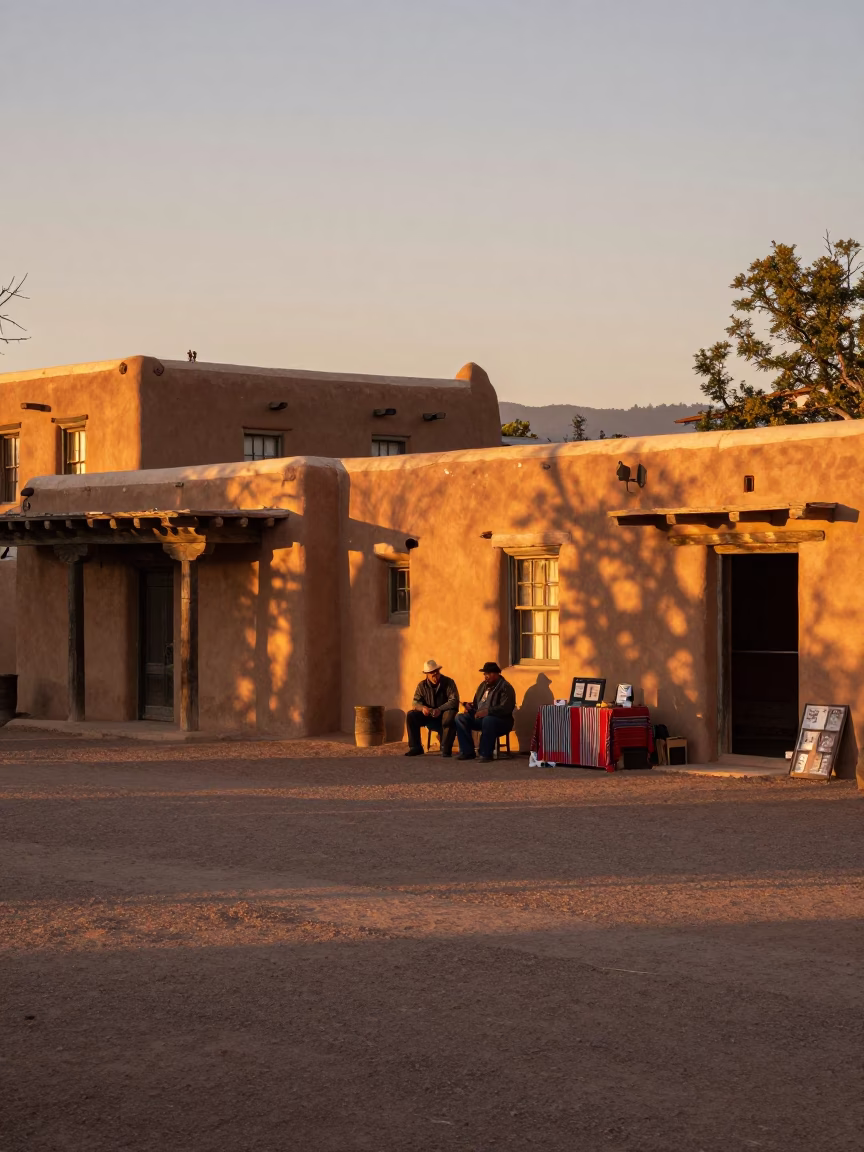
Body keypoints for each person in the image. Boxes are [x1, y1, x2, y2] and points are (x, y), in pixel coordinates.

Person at [454, 662, 516, 762]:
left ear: (496, 674)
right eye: (484, 674)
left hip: (501, 721)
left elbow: (506, 708)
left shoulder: (506, 687)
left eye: (488, 674)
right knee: (460, 718)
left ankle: (485, 753)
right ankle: (467, 752)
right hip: (481, 718)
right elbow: (477, 703)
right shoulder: (483, 686)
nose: (485, 676)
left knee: (488, 720)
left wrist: (488, 712)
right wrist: (470, 707)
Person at [405, 659, 460, 757]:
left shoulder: (449, 682)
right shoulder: (421, 686)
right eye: (432, 672)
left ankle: (445, 748)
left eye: (436, 671)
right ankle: (415, 747)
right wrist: (423, 708)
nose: (435, 674)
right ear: (427, 674)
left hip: (444, 713)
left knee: (449, 716)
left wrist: (440, 709)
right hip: (429, 715)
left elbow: (454, 700)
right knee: (411, 715)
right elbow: (415, 702)